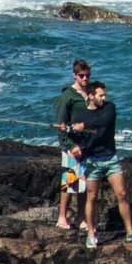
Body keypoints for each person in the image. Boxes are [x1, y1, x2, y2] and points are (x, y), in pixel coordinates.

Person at [72, 77, 132, 247]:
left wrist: (83, 125)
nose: (104, 98)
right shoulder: (80, 114)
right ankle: (91, 233)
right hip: (91, 161)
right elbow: (74, 135)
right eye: (100, 95)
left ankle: (130, 232)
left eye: (104, 95)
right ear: (90, 96)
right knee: (92, 197)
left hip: (110, 159)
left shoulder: (110, 108)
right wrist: (73, 141)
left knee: (122, 194)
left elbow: (103, 122)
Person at [52, 59, 92, 230]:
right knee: (70, 182)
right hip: (72, 146)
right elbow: (61, 125)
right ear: (75, 75)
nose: (85, 79)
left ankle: (82, 217)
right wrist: (69, 146)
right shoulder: (68, 96)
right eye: (81, 76)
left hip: (87, 145)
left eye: (87, 76)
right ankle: (62, 217)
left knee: (84, 183)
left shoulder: (89, 94)